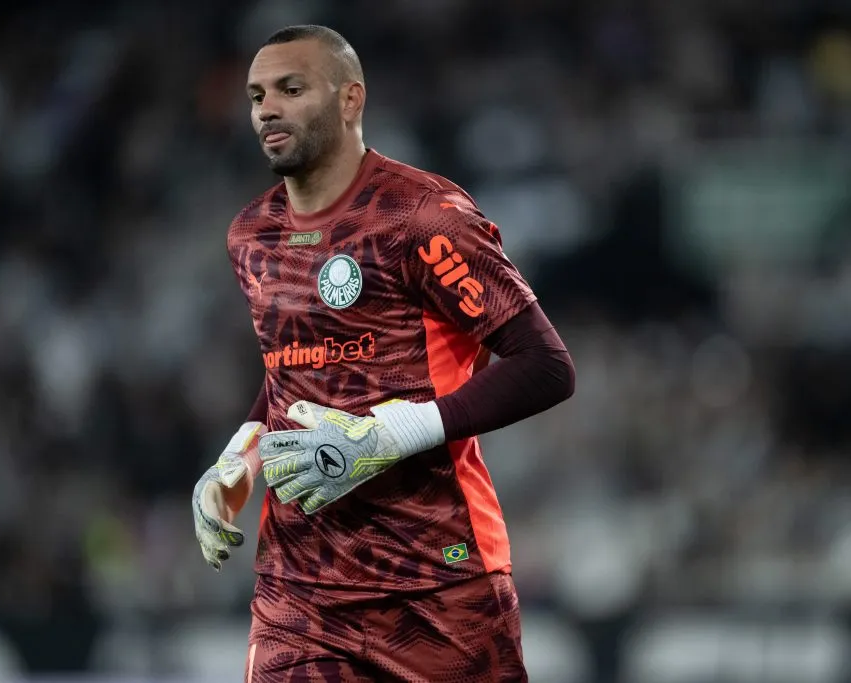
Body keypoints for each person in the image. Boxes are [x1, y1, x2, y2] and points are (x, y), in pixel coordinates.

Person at [191, 24, 575, 683]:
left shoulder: (423, 216)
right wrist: (240, 454)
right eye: (257, 96)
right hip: (300, 590)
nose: (267, 110)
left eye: (291, 89)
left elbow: (545, 365)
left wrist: (390, 435)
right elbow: (290, 366)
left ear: (350, 100)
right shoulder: (251, 235)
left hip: (437, 580)